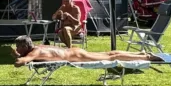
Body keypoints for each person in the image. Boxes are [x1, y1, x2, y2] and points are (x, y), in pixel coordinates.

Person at [11, 35, 161, 67]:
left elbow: (21, 62)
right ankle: (140, 54)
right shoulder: (37, 47)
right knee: (109, 53)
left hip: (75, 56)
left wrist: (17, 57)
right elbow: (26, 55)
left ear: (25, 46)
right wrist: (17, 53)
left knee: (111, 58)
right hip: (73, 51)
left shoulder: (34, 53)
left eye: (18, 47)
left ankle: (147, 57)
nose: (17, 49)